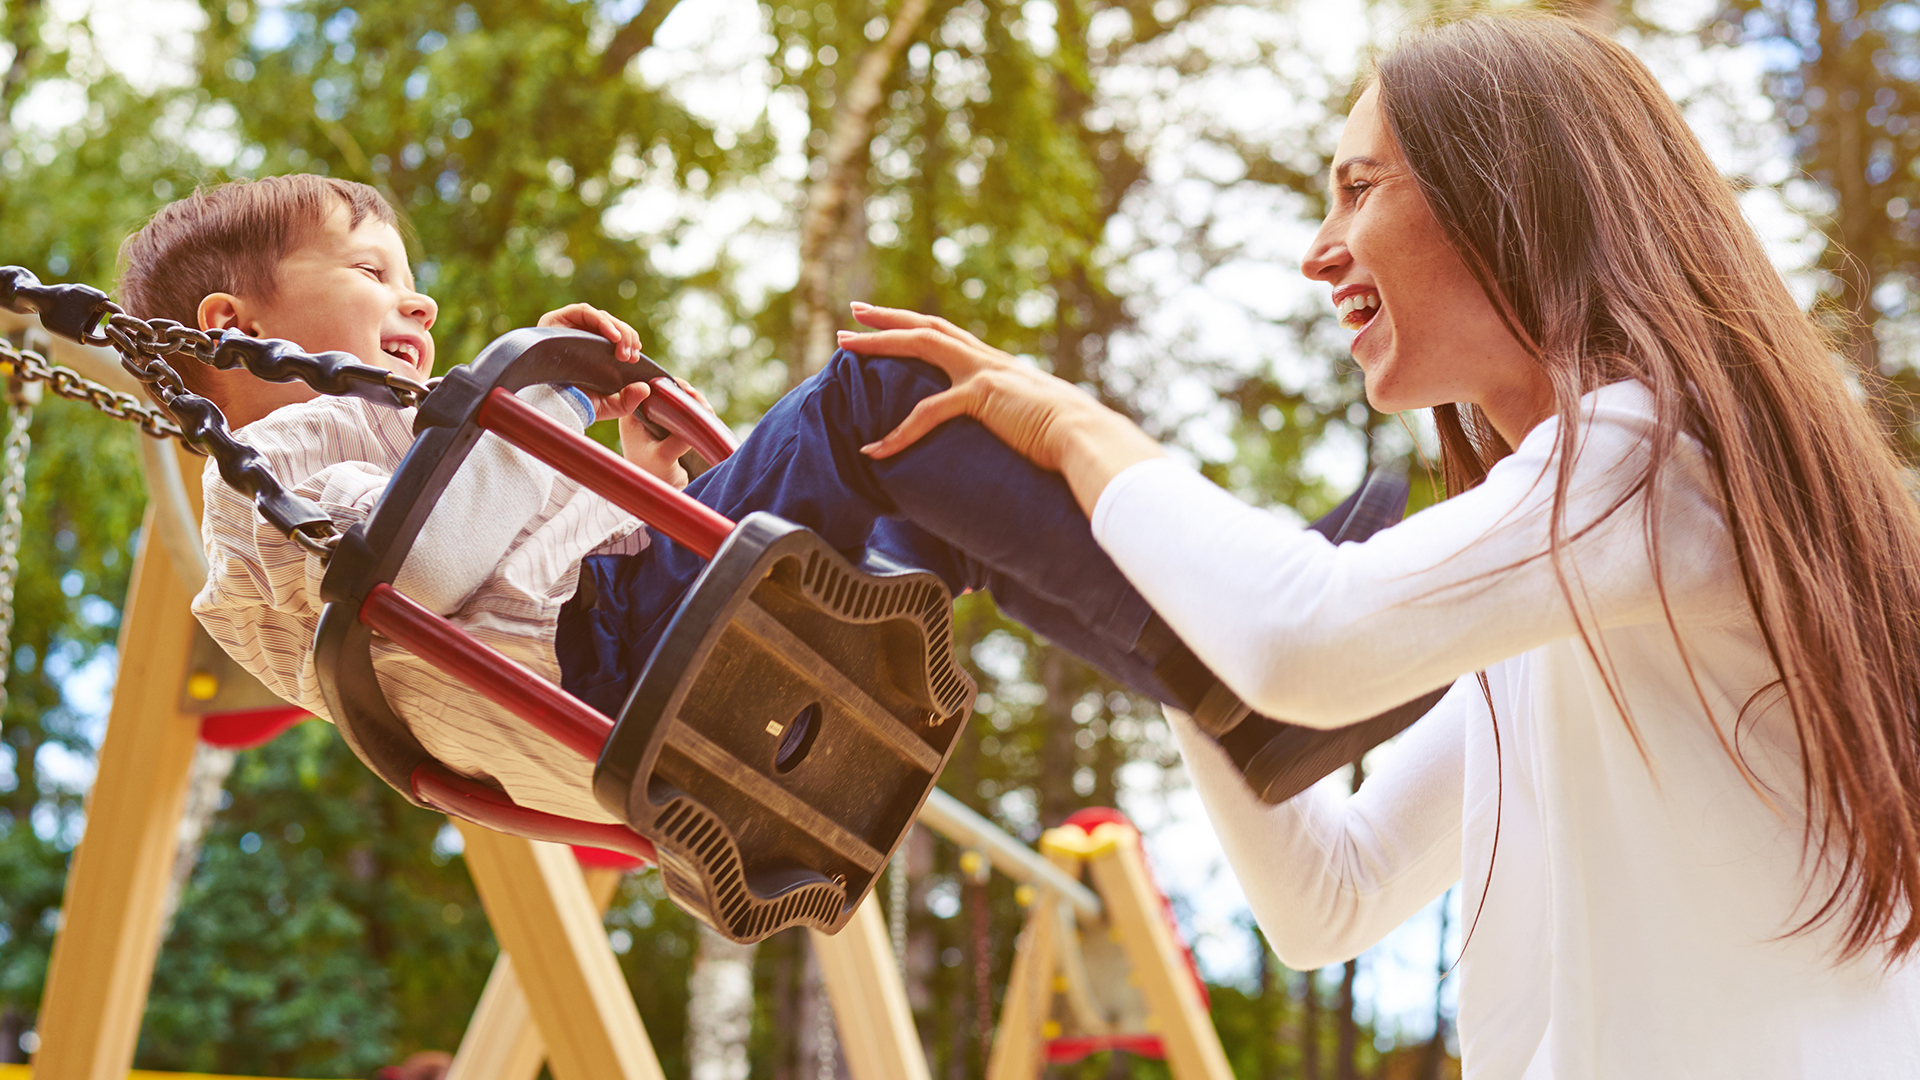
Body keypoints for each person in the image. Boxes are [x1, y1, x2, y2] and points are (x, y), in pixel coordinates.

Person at [837, 12, 1920, 1077]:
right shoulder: (1576, 589)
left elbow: (1306, 640)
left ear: (1512, 192)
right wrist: (1154, 606)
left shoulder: (1655, 459)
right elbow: (1333, 897)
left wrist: (1075, 426)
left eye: (1360, 189)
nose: (1318, 254)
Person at [120, 174, 1369, 825]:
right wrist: (535, 399)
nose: (421, 303)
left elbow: (508, 571)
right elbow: (424, 575)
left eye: (413, 279)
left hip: (615, 650)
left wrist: (650, 475)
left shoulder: (391, 439)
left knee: (940, 479)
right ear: (234, 327)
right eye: (371, 271)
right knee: (882, 394)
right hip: (614, 662)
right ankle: (1248, 624)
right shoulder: (273, 464)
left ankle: (1234, 677)